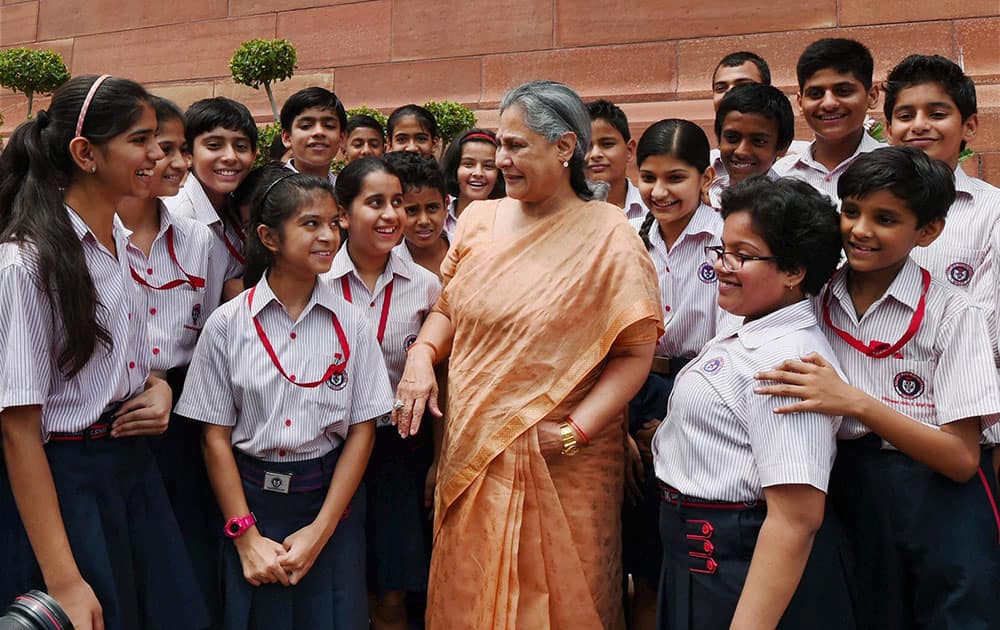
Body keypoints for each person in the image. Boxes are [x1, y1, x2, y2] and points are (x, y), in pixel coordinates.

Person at [394, 80, 663, 629]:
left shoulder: (610, 236)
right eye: (500, 145)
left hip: (568, 457)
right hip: (474, 444)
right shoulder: (478, 220)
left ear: (564, 148)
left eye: (516, 146)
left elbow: (635, 353)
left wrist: (575, 431)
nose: (501, 160)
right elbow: (449, 307)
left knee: (567, 596)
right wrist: (422, 357)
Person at [756, 147, 1000, 629]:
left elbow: (961, 458)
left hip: (938, 499)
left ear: (928, 231)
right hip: (845, 491)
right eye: (850, 211)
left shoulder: (953, 314)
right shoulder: (813, 298)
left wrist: (856, 403)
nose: (860, 230)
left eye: (885, 218)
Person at [0, 74, 208, 630]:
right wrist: (64, 579)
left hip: (131, 472)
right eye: (141, 140)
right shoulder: (26, 264)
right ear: (85, 153)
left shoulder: (116, 235)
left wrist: (158, 384)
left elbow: (128, 356)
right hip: (67, 487)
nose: (159, 155)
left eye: (161, 141)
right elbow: (18, 429)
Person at [175, 167, 393, 630]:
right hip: (251, 500)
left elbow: (362, 430)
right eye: (310, 224)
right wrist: (245, 535)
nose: (328, 236)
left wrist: (321, 531)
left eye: (334, 223)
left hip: (328, 501)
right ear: (269, 237)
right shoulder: (227, 324)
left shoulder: (352, 324)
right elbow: (214, 438)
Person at [653, 176, 854, 629]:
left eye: (742, 256)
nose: (723, 266)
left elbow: (795, 520)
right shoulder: (746, 325)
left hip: (737, 562)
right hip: (693, 553)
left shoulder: (788, 362)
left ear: (793, 271)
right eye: (722, 250)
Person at [115, 95, 228, 627]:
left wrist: (169, 386)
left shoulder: (197, 239)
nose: (181, 163)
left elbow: (206, 331)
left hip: (182, 412)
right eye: (166, 148)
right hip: (110, 417)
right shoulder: (86, 238)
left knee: (182, 554)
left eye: (184, 149)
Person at [320, 155, 441, 630]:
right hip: (328, 448)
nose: (393, 215)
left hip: (398, 449)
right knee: (343, 583)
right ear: (344, 213)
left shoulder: (425, 285)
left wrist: (438, 456)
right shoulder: (317, 281)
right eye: (376, 203)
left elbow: (441, 378)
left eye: (398, 204)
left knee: (392, 588)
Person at [624, 118, 721, 630]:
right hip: (631, 389)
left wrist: (679, 420)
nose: (660, 192)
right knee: (642, 556)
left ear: (706, 178)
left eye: (676, 178)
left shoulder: (726, 237)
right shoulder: (626, 235)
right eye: (649, 177)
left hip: (701, 392)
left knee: (692, 548)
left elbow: (734, 339)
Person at [882, 54, 1000, 475]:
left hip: (957, 430)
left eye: (937, 113)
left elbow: (990, 330)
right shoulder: (859, 210)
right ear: (888, 129)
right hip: (862, 437)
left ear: (969, 125)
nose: (919, 125)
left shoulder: (991, 211)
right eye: (905, 115)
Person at [164, 96, 258, 301]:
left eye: (241, 147)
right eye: (214, 145)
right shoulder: (177, 217)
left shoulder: (236, 209)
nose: (230, 157)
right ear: (188, 154)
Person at [774, 38, 883, 202]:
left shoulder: (897, 169)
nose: (829, 103)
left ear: (872, 96)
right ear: (800, 102)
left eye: (843, 91)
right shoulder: (780, 175)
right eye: (816, 94)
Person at [708, 84, 794, 208]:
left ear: (782, 146)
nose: (741, 151)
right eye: (732, 138)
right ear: (719, 138)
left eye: (758, 141)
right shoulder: (696, 202)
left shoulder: (801, 209)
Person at [387, 150, 451, 278]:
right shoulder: (389, 268)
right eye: (411, 210)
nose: (424, 221)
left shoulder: (468, 249)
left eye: (432, 208)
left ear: (446, 204)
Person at [586, 100, 647, 221]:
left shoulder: (652, 209)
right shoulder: (562, 213)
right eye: (585, 146)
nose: (595, 154)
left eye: (607, 144)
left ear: (629, 150)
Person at [440, 127, 505, 238]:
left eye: (488, 166)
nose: (478, 173)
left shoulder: (506, 221)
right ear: (455, 168)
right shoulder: (439, 216)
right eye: (468, 164)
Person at [280, 87, 346, 184]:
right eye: (306, 126)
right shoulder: (267, 191)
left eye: (329, 126)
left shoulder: (348, 194)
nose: (319, 132)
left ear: (341, 138)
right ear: (287, 138)